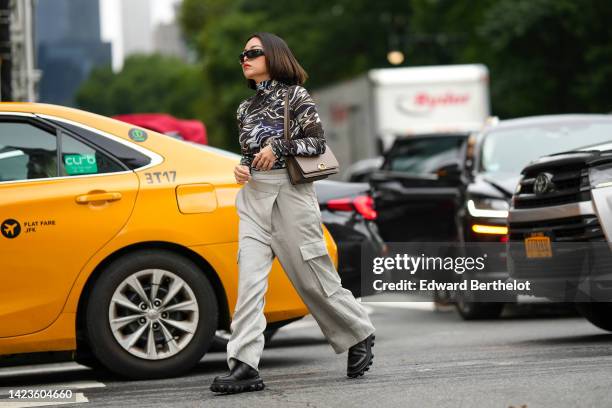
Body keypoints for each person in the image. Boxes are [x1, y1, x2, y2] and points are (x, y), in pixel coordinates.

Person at [210, 32, 376, 395]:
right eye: (243, 54)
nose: (245, 58)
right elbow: (247, 154)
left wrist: (279, 147)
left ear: (273, 56)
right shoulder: (244, 108)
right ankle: (244, 364)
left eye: (253, 52)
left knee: (312, 277)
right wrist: (242, 168)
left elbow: (316, 143)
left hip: (291, 193)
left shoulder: (295, 96)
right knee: (249, 284)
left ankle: (358, 331)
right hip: (254, 196)